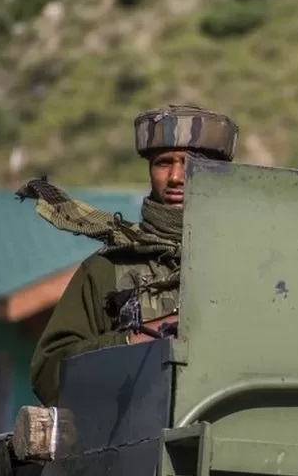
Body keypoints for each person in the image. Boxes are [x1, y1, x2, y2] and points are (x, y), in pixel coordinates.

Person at [16, 104, 240, 406]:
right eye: (163, 163)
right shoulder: (109, 267)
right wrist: (135, 341)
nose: (175, 177)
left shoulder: (247, 264)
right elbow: (49, 375)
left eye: (190, 163)